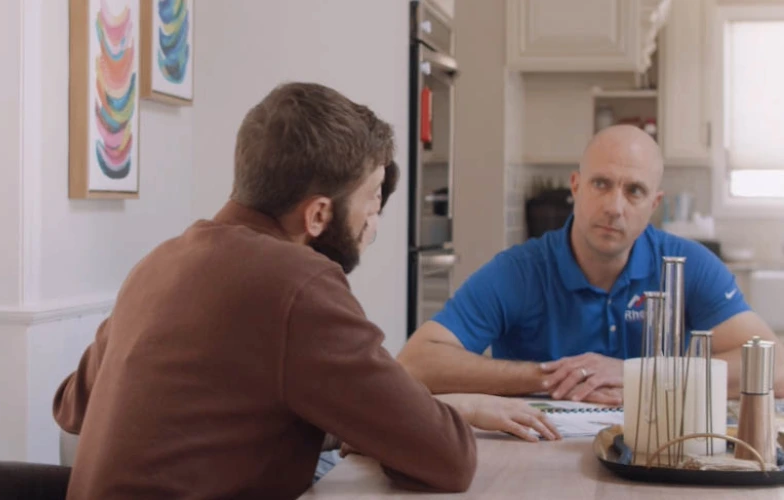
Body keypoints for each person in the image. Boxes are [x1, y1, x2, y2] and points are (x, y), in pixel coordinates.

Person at [52, 82, 559, 500]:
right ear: (318, 214)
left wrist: (405, 415)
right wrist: (437, 419)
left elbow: (72, 405)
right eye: (372, 201)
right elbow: (450, 459)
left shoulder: (163, 260)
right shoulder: (298, 282)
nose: (374, 223)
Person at [398, 124, 784, 406]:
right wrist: (551, 376)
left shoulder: (687, 264)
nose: (614, 207)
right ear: (576, 186)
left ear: (654, 204)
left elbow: (775, 365)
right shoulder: (520, 271)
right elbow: (416, 362)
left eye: (634, 191)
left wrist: (637, 377)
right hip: (540, 456)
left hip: (657, 451)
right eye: (601, 184)